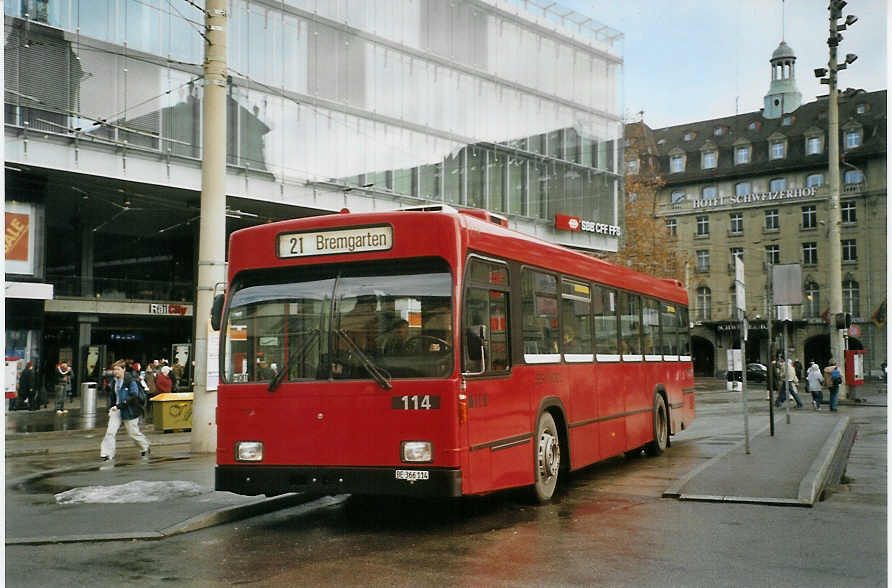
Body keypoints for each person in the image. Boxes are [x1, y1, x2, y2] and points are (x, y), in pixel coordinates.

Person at [100, 364, 150, 461]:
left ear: (124, 369)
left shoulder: (130, 381)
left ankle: (145, 446)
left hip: (129, 410)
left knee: (133, 433)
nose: (115, 372)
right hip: (116, 409)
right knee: (110, 432)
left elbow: (134, 396)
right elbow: (112, 395)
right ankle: (107, 454)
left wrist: (120, 405)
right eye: (114, 369)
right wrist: (112, 407)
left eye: (118, 369)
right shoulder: (113, 381)